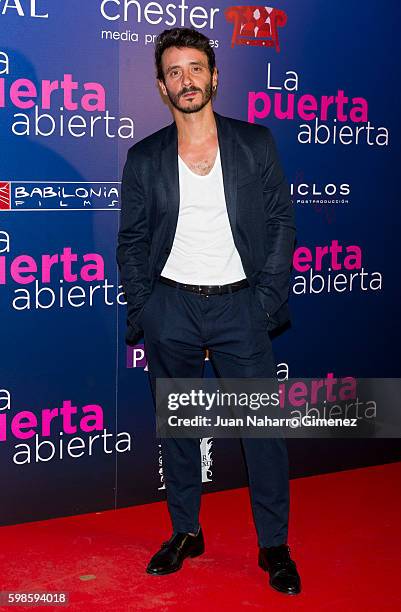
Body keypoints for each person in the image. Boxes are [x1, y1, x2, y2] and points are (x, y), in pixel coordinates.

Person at [116, 27, 301, 595]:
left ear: (214, 76)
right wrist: (149, 311)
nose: (186, 80)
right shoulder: (145, 157)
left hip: (241, 307)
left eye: (195, 68)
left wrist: (265, 301)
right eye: (174, 72)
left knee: (261, 434)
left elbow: (280, 225)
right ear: (161, 85)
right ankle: (186, 532)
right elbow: (132, 242)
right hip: (172, 307)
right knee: (179, 429)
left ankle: (274, 546)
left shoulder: (254, 143)